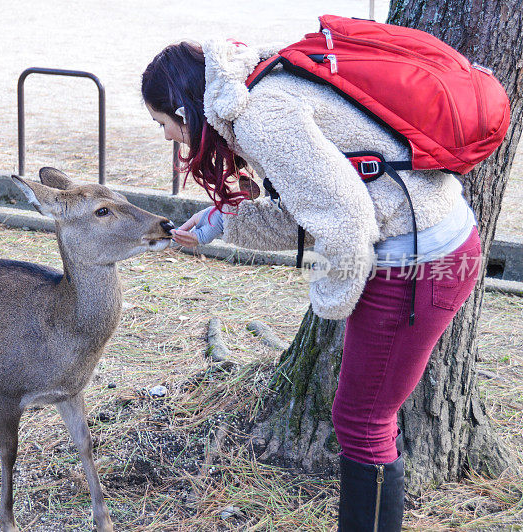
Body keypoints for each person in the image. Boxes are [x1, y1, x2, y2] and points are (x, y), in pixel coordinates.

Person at [142, 40, 482, 531]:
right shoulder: (260, 87)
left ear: (182, 110)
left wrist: (329, 300)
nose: (168, 137)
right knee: (362, 420)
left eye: (163, 125)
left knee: (362, 424)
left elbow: (345, 219)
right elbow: (313, 207)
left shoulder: (261, 117)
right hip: (425, 242)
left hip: (416, 261)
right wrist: (219, 224)